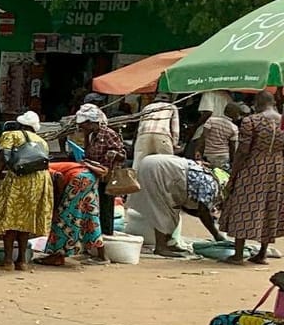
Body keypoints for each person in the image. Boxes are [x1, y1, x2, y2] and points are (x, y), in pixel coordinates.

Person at [223, 92, 284, 265]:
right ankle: (262, 254)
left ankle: (238, 254)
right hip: (278, 169)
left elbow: (243, 151)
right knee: (270, 206)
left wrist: (233, 175)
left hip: (253, 167)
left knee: (243, 204)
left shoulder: (251, 121)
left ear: (257, 103)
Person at [129, 153, 227, 258]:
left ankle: (168, 243)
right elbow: (203, 212)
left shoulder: (209, 181)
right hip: (158, 170)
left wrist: (206, 217)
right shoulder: (212, 187)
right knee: (163, 209)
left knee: (172, 210)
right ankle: (161, 247)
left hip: (155, 165)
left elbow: (192, 209)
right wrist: (216, 235)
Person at [0, 115, 53, 271]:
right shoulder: (42, 141)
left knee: (10, 219)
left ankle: (8, 261)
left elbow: (3, 156)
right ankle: (22, 261)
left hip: (18, 180)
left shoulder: (11, 135)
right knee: (26, 220)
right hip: (39, 181)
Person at [69, 104, 129, 236]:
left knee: (106, 208)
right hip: (94, 175)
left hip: (106, 177)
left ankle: (105, 235)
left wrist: (114, 154)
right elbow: (88, 154)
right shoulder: (91, 135)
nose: (81, 128)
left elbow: (122, 155)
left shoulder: (109, 134)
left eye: (83, 124)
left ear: (91, 123)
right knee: (94, 207)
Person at [37, 161, 107, 266]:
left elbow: (59, 179)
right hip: (90, 178)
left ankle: (57, 256)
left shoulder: (41, 170)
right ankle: (102, 256)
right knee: (90, 216)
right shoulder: (48, 165)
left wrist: (57, 207)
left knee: (63, 218)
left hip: (78, 180)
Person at [193, 102, 244, 170]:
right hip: (223, 157)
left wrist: (198, 150)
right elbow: (232, 147)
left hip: (208, 154)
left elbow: (203, 137)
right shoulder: (234, 128)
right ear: (235, 114)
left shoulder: (211, 120)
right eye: (238, 114)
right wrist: (233, 161)